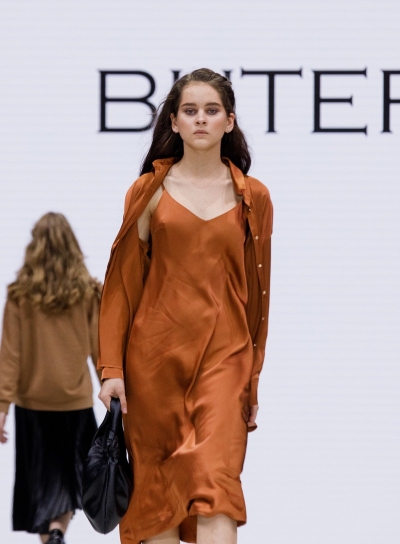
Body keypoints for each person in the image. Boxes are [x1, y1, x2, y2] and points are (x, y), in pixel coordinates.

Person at [98, 68, 273, 544]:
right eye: (190, 110)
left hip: (226, 359)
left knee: (218, 488)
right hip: (154, 363)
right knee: (158, 502)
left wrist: (252, 378)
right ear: (173, 122)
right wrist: (111, 369)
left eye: (211, 110)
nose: (200, 119)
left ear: (229, 121)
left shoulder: (253, 197)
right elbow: (121, 287)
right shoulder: (147, 191)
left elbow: (260, 294)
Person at [0, 212, 102, 544]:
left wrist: (2, 407)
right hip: (75, 402)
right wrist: (110, 390)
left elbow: (10, 356)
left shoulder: (19, 295)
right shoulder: (88, 293)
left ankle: (52, 537)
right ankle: (58, 531)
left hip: (33, 406)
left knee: (42, 483)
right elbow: (99, 349)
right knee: (70, 480)